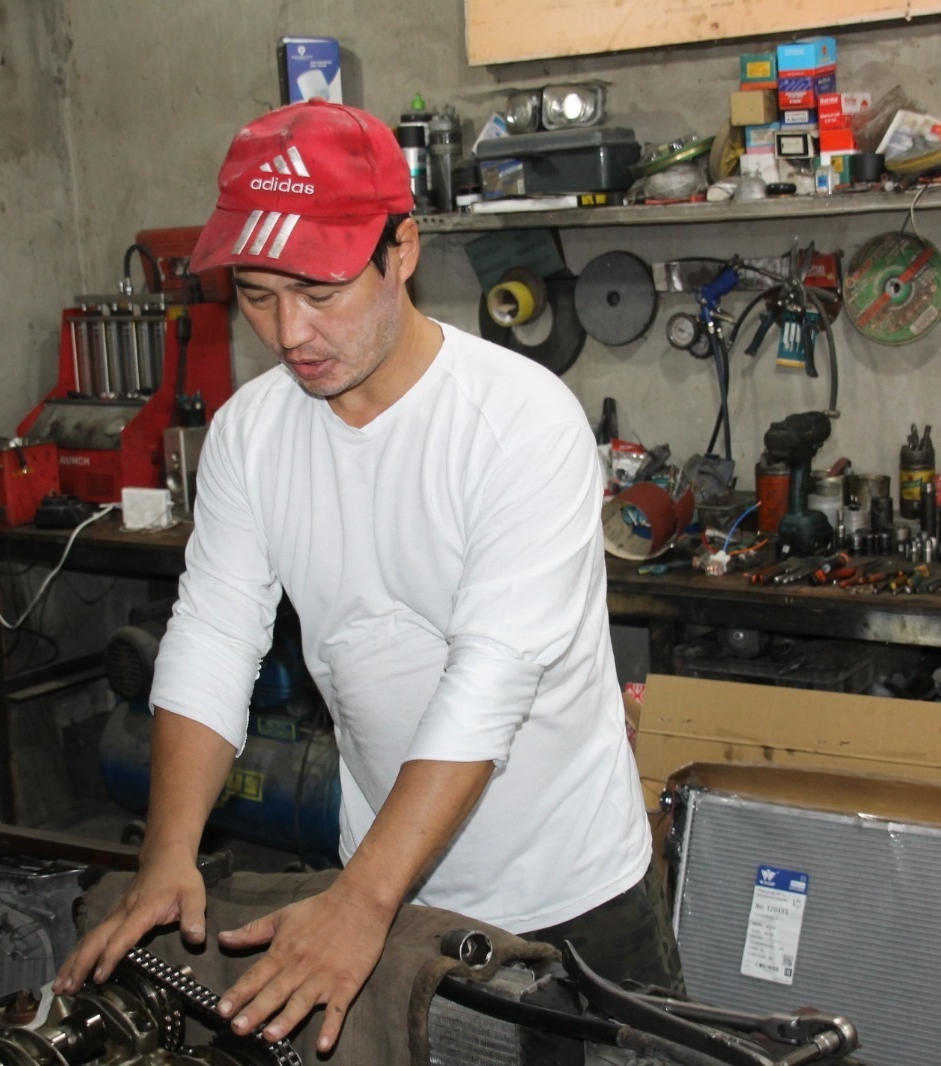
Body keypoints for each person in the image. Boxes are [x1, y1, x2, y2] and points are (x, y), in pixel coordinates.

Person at [55, 99, 680, 1054]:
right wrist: (169, 853)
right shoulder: (253, 433)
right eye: (257, 296)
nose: (289, 331)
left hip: (569, 894)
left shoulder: (520, 422)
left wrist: (360, 901)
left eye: (319, 290)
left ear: (402, 249)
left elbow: (491, 679)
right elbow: (215, 635)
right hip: (388, 890)